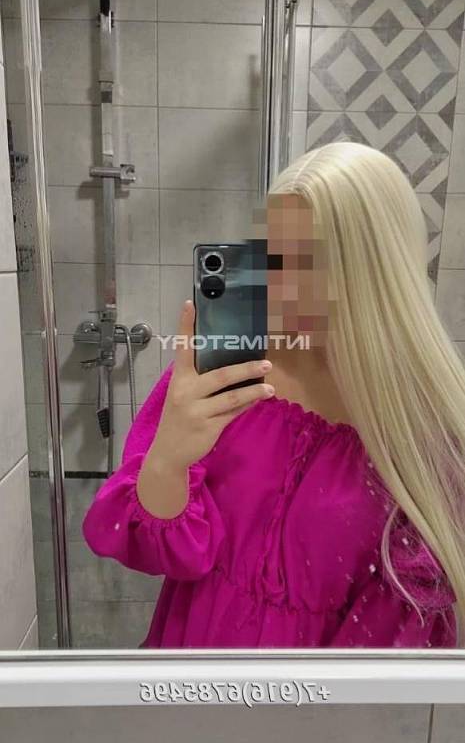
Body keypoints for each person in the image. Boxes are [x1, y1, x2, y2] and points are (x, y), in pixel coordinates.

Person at [82, 141, 465, 648]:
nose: (279, 286)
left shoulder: (420, 431)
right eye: (274, 256)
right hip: (184, 666)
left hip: (312, 694)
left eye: (310, 262)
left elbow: (388, 650)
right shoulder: (227, 364)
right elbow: (159, 551)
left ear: (377, 270)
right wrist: (168, 459)